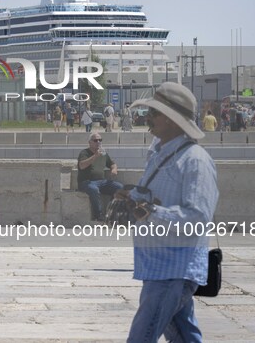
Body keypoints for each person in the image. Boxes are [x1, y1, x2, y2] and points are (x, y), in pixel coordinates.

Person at [116, 82, 218, 342]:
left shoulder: (194, 160)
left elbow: (197, 219)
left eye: (154, 113)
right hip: (160, 266)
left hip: (173, 269)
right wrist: (134, 197)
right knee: (186, 337)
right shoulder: (162, 154)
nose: (147, 118)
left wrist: (149, 211)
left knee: (141, 336)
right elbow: (158, 199)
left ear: (172, 120)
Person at [77, 132, 123, 220]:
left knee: (119, 188)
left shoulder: (103, 153)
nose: (98, 142)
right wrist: (95, 156)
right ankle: (98, 215)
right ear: (90, 142)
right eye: (95, 140)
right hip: (86, 182)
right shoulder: (84, 153)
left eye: (100, 140)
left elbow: (112, 163)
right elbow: (82, 165)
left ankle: (111, 213)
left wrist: (114, 169)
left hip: (101, 182)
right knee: (93, 189)